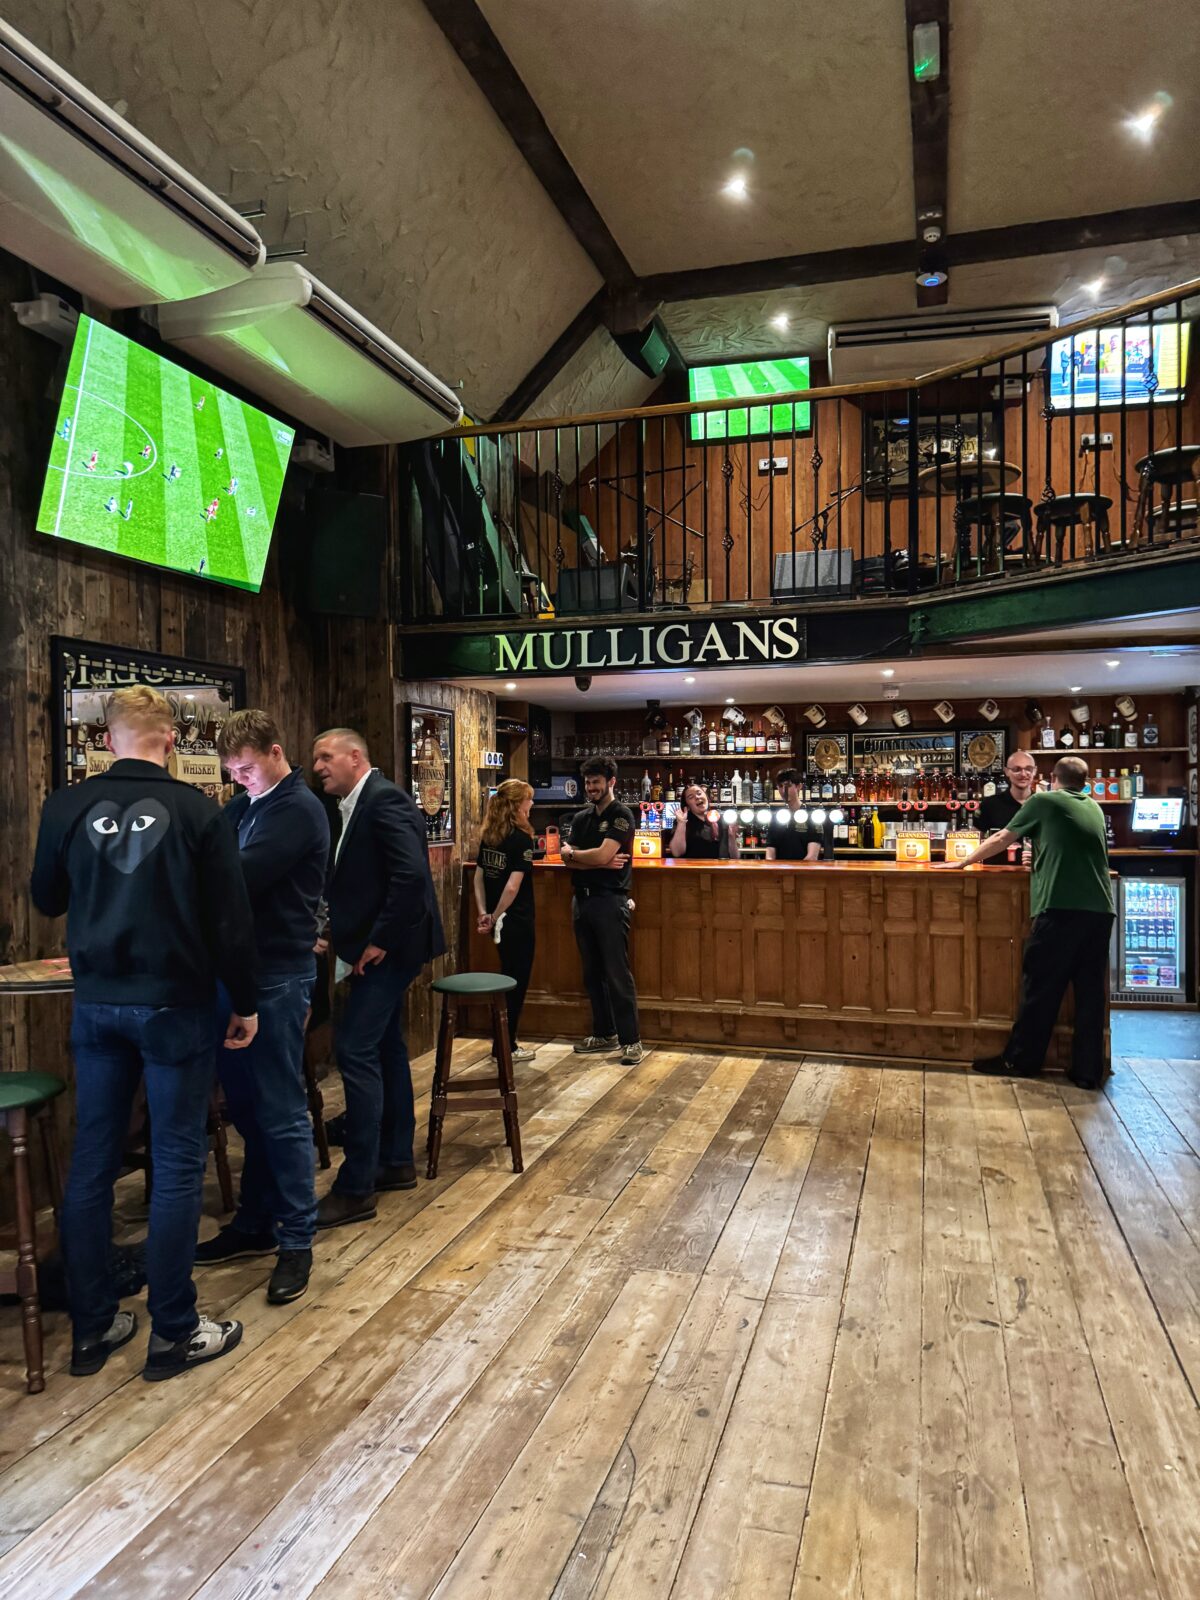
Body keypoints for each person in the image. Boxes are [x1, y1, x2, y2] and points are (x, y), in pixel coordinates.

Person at [30, 685, 255, 1381]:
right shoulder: (199, 811)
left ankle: (92, 1328)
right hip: (175, 1004)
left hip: (98, 1003)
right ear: (172, 740)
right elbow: (229, 922)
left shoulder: (66, 807)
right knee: (178, 1161)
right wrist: (246, 1002)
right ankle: (175, 1333)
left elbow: (46, 898)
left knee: (92, 1164)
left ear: (107, 741)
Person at [194, 710, 330, 1305]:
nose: (240, 779)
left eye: (247, 768)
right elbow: (206, 854)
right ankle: (255, 1221)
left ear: (276, 753)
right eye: (232, 771)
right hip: (238, 973)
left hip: (277, 973)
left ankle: (297, 1239)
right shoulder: (245, 806)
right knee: (247, 1109)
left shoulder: (297, 808)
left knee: (280, 1110)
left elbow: (237, 877)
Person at [312, 727, 445, 1228]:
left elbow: (410, 876)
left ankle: (356, 1187)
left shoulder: (384, 799)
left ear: (355, 757)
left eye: (326, 757)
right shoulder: (352, 804)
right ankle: (395, 1161)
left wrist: (379, 940)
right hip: (378, 946)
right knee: (386, 1047)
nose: (318, 767)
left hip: (390, 948)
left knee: (355, 1050)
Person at [939, 756, 1114, 1088]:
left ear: (1051, 778)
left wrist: (961, 863)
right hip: (1100, 910)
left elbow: (1001, 839)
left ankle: (1020, 1061)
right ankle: (1088, 1072)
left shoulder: (1044, 801)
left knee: (1041, 989)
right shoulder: (1092, 806)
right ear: (1085, 782)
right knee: (1090, 994)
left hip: (1061, 907)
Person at [559, 755, 646, 1067]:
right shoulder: (581, 818)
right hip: (581, 901)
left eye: (596, 782)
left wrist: (582, 856)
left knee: (617, 973)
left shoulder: (622, 815)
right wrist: (593, 859)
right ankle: (604, 1033)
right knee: (592, 973)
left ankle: (631, 1041)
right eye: (588, 782)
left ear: (611, 782)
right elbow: (566, 856)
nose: (591, 787)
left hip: (610, 900)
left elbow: (596, 855)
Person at [474, 780, 538, 1063]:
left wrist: (484, 913)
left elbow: (478, 877)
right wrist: (496, 915)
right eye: (528, 799)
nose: (532, 804)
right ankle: (506, 1046)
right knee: (515, 983)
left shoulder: (489, 836)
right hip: (517, 921)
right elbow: (512, 887)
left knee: (506, 978)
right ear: (517, 805)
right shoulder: (522, 839)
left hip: (495, 921)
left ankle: (500, 1043)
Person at [764, 769, 831, 861]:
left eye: (788, 786)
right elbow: (770, 853)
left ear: (799, 786)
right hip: (779, 869)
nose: (783, 790)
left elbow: (812, 857)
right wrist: (772, 867)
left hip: (804, 869)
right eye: (780, 786)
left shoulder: (812, 816)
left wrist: (795, 869)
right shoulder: (776, 817)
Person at [669, 783, 740, 859]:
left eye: (699, 793)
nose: (697, 797)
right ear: (687, 806)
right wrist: (681, 823)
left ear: (706, 796)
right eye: (691, 797)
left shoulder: (722, 819)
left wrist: (731, 836)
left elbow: (735, 857)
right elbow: (677, 853)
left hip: (719, 866)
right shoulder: (683, 821)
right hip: (693, 866)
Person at [978, 749, 1038, 833]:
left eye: (1029, 769)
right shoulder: (989, 804)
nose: (1023, 774)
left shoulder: (1044, 805)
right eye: (1017, 769)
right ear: (1007, 771)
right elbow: (976, 836)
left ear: (1035, 771)